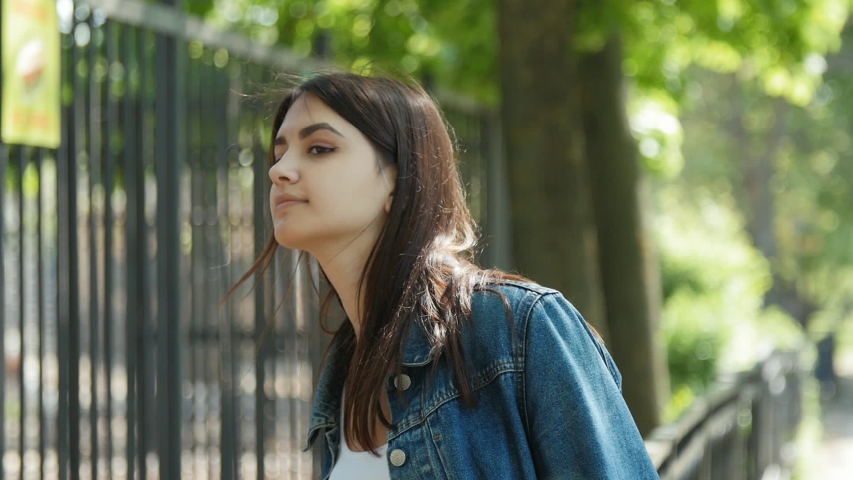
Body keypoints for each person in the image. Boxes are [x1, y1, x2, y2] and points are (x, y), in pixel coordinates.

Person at [232, 72, 659, 479]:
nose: (279, 170)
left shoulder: (518, 327)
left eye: (319, 148)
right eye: (279, 152)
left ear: (399, 179)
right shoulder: (344, 375)